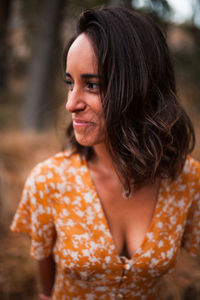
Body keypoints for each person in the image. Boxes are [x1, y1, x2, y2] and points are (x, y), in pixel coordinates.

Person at [11, 6, 200, 300]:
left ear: (140, 87)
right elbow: (46, 291)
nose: (71, 103)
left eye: (92, 85)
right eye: (70, 83)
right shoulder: (48, 181)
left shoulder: (187, 180)